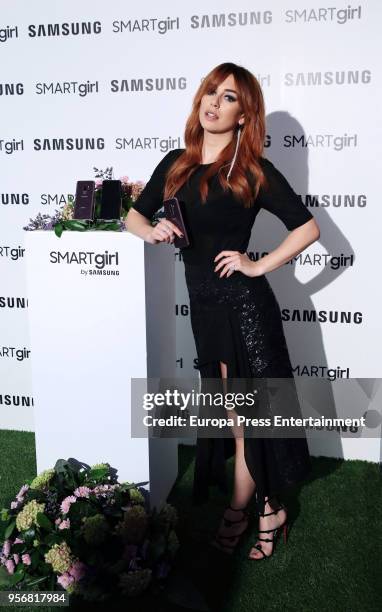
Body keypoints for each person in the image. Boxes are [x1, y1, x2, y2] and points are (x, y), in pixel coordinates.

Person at [125, 62, 320, 560]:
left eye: (228, 97)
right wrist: (153, 232)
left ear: (243, 114)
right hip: (204, 308)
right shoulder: (177, 163)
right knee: (236, 415)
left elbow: (307, 229)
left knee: (244, 418)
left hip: (244, 308)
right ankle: (269, 506)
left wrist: (258, 265)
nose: (214, 101)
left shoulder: (250, 169)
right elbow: (134, 215)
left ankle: (244, 510)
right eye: (210, 92)